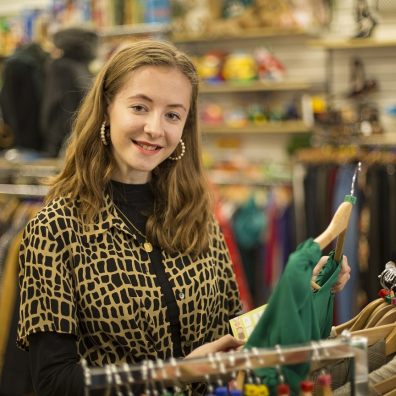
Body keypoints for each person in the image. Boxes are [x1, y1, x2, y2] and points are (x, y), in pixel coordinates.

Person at [16, 39, 351, 396]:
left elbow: (231, 332)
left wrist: (298, 290)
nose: (155, 129)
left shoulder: (198, 216)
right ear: (106, 109)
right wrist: (178, 372)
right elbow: (52, 382)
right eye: (140, 107)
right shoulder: (55, 228)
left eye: (172, 114)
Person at [40, 27, 98, 157]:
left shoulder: (63, 66)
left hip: (67, 137)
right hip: (72, 136)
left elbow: (53, 104)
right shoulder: (76, 67)